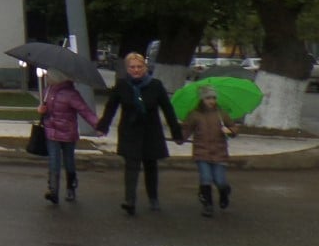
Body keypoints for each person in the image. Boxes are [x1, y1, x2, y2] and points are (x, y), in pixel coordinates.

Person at [96, 51, 184, 215]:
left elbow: (168, 110)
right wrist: (103, 126)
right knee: (131, 166)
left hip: (151, 132)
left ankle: (153, 197)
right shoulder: (122, 85)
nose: (136, 70)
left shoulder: (155, 85)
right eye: (132, 67)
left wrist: (177, 133)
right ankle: (130, 201)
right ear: (127, 69)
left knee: (150, 165)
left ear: (145, 67)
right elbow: (111, 107)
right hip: (130, 131)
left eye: (139, 66)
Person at [37, 70, 100, 204]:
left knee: (68, 161)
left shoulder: (71, 94)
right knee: (54, 160)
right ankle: (53, 190)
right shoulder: (48, 91)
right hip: (51, 131)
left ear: (57, 77)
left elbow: (85, 111)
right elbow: (45, 109)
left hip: (68, 133)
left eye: (50, 75)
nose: (47, 77)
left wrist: (98, 126)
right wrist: (41, 109)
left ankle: (71, 186)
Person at [181, 85, 237, 217]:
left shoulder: (221, 114)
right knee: (205, 178)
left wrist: (230, 131)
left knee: (220, 180)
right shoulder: (194, 115)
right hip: (201, 152)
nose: (211, 101)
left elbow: (233, 128)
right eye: (208, 98)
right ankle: (208, 205)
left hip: (219, 152)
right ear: (202, 99)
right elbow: (186, 130)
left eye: (213, 98)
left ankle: (224, 192)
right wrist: (180, 138)